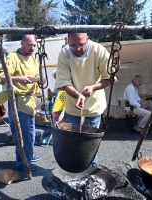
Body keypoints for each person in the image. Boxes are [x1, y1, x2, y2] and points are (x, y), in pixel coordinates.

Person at [55, 32, 111, 166]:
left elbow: (109, 78)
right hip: (72, 104)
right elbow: (64, 82)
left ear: (88, 39)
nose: (77, 48)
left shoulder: (99, 51)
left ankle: (91, 167)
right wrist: (78, 95)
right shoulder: (64, 53)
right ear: (68, 41)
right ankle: (74, 167)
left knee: (91, 141)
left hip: (94, 105)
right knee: (72, 139)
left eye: (81, 44)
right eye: (73, 45)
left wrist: (93, 87)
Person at [0, 34, 41, 171]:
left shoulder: (33, 59)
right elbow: (0, 77)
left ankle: (28, 156)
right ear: (22, 43)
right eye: (30, 45)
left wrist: (38, 85)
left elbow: (35, 77)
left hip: (30, 99)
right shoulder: (12, 57)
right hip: (18, 100)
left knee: (31, 132)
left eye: (34, 45)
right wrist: (19, 79)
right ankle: (22, 162)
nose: (32, 48)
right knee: (23, 133)